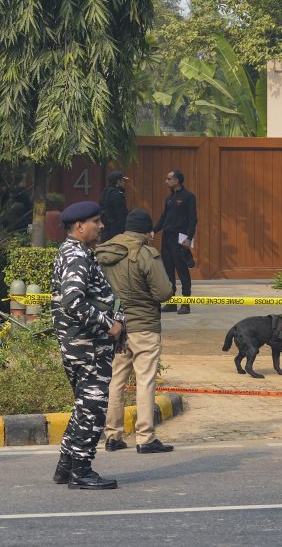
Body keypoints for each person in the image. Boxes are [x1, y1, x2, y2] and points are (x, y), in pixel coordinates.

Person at [50, 201, 125, 489]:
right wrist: (110, 325)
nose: (101, 225)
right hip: (87, 347)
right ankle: (81, 472)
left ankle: (67, 466)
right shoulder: (77, 257)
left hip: (82, 345)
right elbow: (72, 301)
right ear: (80, 227)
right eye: (96, 221)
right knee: (92, 409)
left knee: (84, 406)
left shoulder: (74, 252)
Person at [98, 208, 175, 454]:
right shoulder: (145, 254)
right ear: (147, 231)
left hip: (114, 327)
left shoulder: (105, 251)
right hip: (143, 327)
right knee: (145, 381)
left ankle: (112, 436)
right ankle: (145, 437)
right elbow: (163, 292)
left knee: (115, 381)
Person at [153, 169, 197, 314]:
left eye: (169, 179)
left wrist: (189, 238)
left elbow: (193, 219)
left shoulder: (188, 197)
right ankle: (171, 302)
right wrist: (153, 230)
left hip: (181, 238)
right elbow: (163, 217)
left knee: (182, 270)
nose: (166, 181)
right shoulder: (169, 198)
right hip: (167, 237)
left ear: (176, 181)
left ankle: (186, 303)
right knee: (168, 271)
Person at [99, 171, 129, 243]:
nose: (124, 183)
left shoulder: (104, 193)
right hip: (116, 232)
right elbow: (121, 215)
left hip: (105, 230)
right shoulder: (117, 195)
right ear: (118, 182)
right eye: (123, 181)